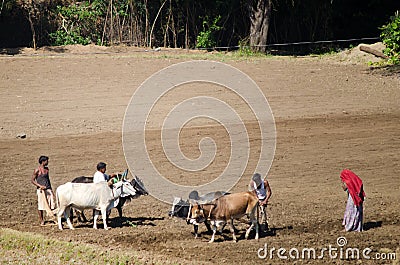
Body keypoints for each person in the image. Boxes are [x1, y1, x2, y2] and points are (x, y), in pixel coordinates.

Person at [31, 155, 55, 226]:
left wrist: (51, 189)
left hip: (48, 189)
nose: (48, 162)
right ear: (43, 161)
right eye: (47, 161)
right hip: (41, 190)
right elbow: (32, 180)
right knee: (41, 205)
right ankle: (42, 220)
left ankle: (51, 218)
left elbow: (48, 180)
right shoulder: (37, 170)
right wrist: (40, 186)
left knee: (51, 204)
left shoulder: (47, 170)